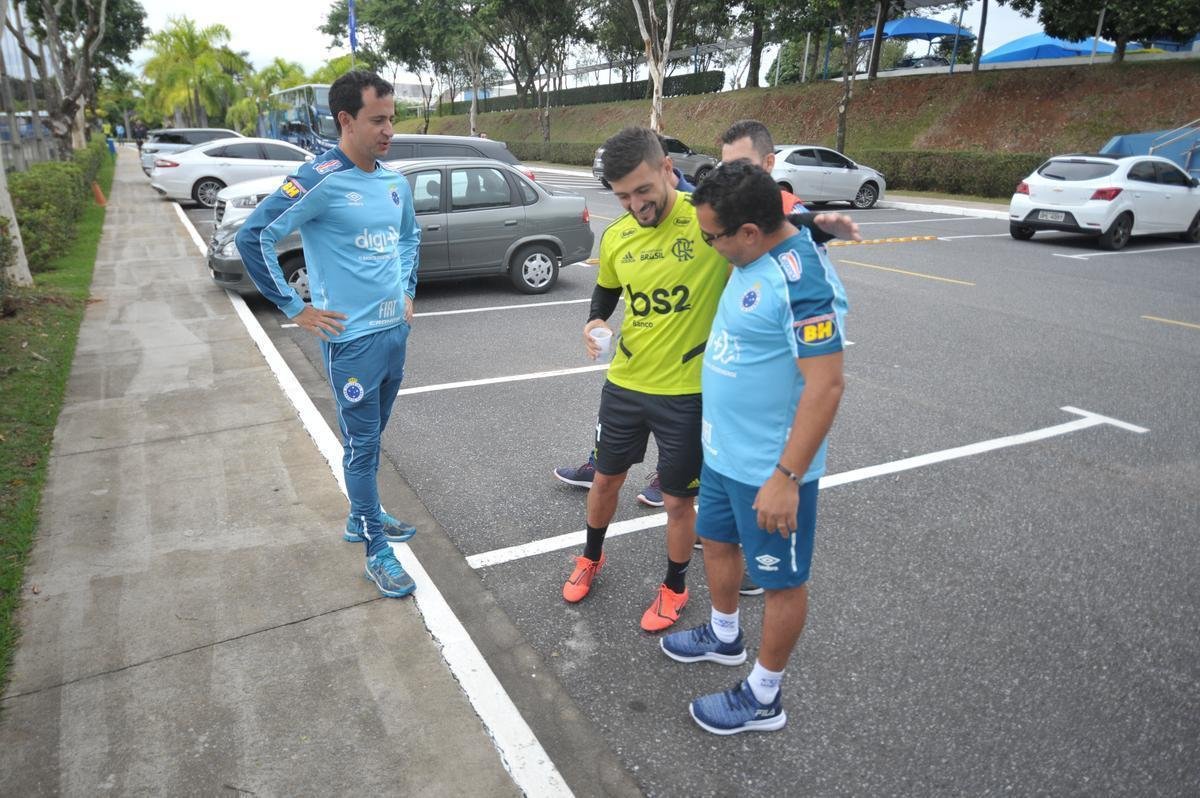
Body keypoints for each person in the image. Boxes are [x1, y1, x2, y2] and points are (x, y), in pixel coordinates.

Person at [659, 160, 847, 735]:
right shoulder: (753, 244)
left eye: (714, 237)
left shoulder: (802, 281)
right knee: (715, 541)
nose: (709, 245)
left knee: (782, 581)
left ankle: (765, 696)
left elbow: (827, 384)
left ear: (748, 232)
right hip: (723, 455)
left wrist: (787, 477)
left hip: (771, 469)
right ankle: (723, 634)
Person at [236, 71, 422, 599]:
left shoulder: (393, 182)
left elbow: (409, 238)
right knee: (362, 448)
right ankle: (374, 549)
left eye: (392, 119)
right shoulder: (317, 177)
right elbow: (255, 235)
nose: (389, 130)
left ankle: (361, 514)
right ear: (346, 120)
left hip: (394, 334)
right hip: (352, 343)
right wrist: (296, 308)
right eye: (378, 120)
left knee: (372, 439)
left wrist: (407, 291)